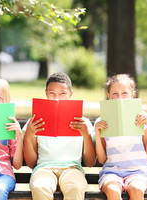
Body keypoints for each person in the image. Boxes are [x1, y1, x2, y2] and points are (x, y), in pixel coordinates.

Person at [23, 72, 96, 200]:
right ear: (46, 93)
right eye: (52, 93)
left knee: (75, 187)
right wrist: (28, 137)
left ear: (70, 94)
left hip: (72, 169)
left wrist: (86, 135)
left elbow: (90, 162)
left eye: (62, 93)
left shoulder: (82, 122)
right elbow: (30, 163)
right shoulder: (35, 122)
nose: (57, 98)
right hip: (44, 169)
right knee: (40, 187)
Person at [95, 74, 147, 200]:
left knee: (136, 189)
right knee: (112, 190)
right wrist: (97, 132)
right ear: (108, 95)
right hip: (111, 173)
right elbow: (101, 160)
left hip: (138, 172)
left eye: (124, 93)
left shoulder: (143, 118)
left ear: (132, 94)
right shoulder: (102, 120)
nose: (120, 98)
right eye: (115, 94)